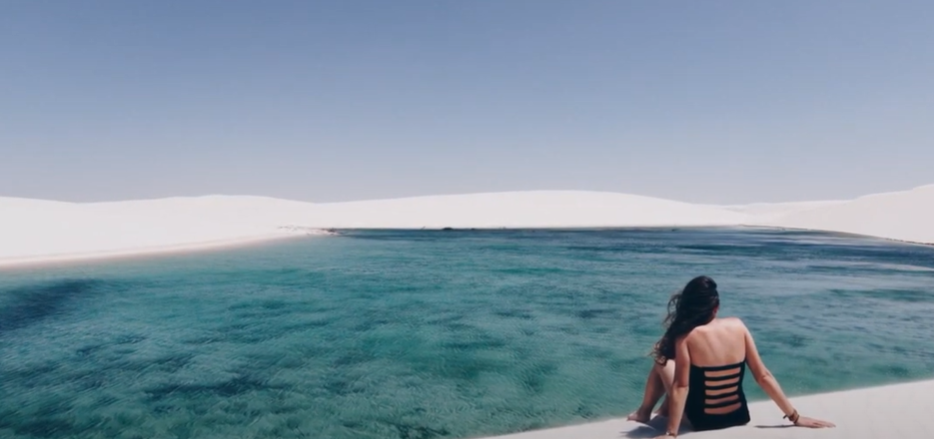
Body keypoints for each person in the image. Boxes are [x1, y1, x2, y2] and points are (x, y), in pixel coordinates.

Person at [626, 276, 835, 438]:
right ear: (715, 308)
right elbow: (763, 376)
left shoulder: (686, 337)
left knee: (661, 359)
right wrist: (795, 417)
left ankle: (644, 412)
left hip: (702, 421)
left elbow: (682, 387)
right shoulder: (739, 326)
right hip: (739, 416)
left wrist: (671, 434)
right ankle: (661, 410)